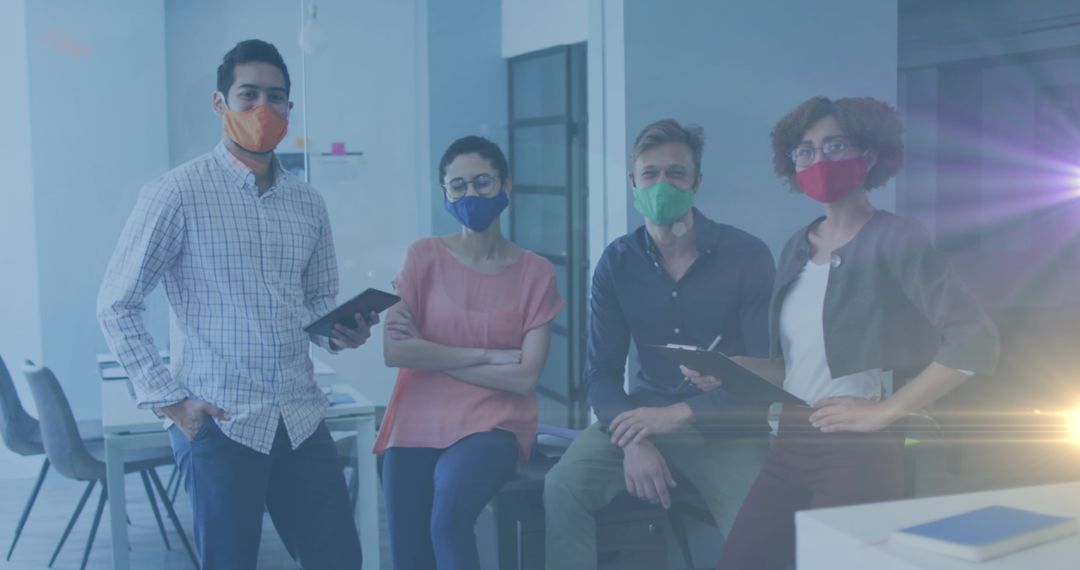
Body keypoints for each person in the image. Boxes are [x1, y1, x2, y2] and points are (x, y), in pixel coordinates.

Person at [97, 39, 370, 570]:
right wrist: (169, 399)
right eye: (248, 96)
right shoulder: (176, 193)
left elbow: (314, 305)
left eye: (276, 96)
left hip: (300, 415)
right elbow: (117, 303)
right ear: (221, 105)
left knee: (339, 559)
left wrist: (339, 331)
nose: (262, 109)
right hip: (221, 419)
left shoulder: (307, 203)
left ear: (291, 108)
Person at [708, 96, 1000, 570]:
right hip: (789, 443)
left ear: (870, 156)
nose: (817, 160)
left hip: (856, 451)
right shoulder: (795, 247)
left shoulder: (897, 237)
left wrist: (885, 412)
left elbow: (975, 338)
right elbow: (791, 367)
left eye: (834, 145)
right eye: (805, 150)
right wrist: (734, 370)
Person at [543, 119, 775, 570]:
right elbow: (601, 372)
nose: (662, 183)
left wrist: (676, 416)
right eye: (650, 174)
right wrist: (631, 439)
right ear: (633, 181)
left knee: (762, 534)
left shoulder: (746, 255)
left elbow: (763, 370)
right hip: (642, 416)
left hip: (726, 428)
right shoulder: (617, 263)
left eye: (676, 173)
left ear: (696, 182)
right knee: (562, 487)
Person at [376, 135, 563, 570]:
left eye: (482, 182)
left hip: (492, 424)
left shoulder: (536, 272)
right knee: (410, 554)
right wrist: (488, 354)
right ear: (444, 193)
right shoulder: (422, 257)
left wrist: (432, 354)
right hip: (415, 422)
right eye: (457, 186)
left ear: (506, 185)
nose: (470, 194)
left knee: (447, 521)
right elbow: (394, 350)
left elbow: (524, 378)